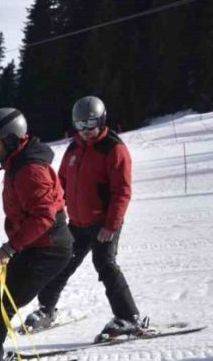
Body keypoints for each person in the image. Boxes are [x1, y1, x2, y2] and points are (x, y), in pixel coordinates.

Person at [0, 108, 74, 361]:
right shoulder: (18, 163)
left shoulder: (30, 170)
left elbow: (44, 217)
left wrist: (9, 248)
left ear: (11, 139)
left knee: (1, 306)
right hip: (35, 246)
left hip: (48, 249)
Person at [24, 96, 146, 338]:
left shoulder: (114, 149)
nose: (85, 131)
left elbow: (122, 191)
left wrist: (111, 224)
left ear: (101, 121)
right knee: (61, 263)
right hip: (78, 222)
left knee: (105, 265)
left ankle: (128, 316)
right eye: (80, 126)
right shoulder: (74, 148)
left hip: (104, 222)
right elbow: (61, 184)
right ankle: (46, 310)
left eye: (90, 125)